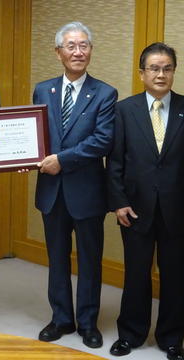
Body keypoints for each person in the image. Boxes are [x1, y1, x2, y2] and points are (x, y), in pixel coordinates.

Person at [107, 42, 184, 360]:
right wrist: (119, 201)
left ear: (174, 72)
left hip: (178, 209)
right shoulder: (124, 109)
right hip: (135, 207)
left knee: (175, 274)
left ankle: (172, 338)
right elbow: (116, 161)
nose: (161, 74)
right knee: (135, 272)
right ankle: (130, 334)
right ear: (142, 74)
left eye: (167, 68)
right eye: (154, 68)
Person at [33, 21, 116, 349]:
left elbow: (102, 141)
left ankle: (87, 322)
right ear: (58, 52)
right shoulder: (43, 89)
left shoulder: (105, 93)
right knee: (56, 258)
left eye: (84, 45)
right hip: (51, 192)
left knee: (90, 260)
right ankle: (60, 318)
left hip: (88, 191)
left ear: (91, 51)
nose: (78, 52)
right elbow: (35, 134)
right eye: (71, 46)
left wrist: (61, 160)